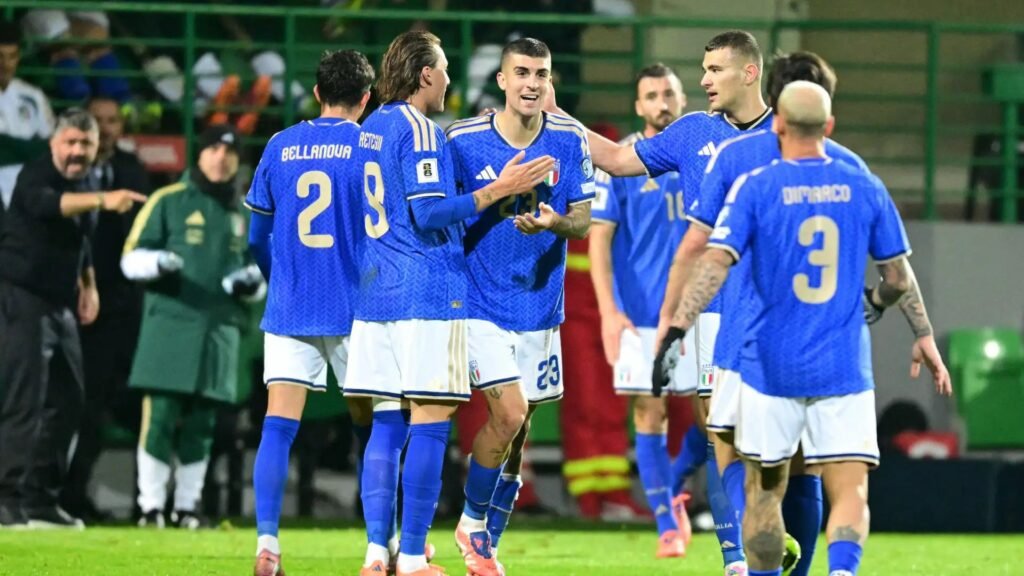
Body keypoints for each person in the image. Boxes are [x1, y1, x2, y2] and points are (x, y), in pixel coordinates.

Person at [657, 51, 953, 576]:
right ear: (830, 120)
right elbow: (897, 279)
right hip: (840, 358)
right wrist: (907, 324)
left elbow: (705, 257)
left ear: (776, 112)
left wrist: (674, 325)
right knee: (839, 483)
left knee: (746, 472)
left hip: (756, 350)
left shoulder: (744, 172)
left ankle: (747, 566)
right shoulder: (860, 177)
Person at [547, 29, 772, 574]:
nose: (702, 80)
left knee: (764, 443)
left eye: (714, 70)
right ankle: (736, 556)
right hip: (702, 313)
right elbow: (619, 161)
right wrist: (557, 116)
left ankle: (769, 539)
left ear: (748, 72)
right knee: (722, 436)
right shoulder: (693, 134)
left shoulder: (785, 133)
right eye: (702, 69)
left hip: (766, 313)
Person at [344, 31, 553, 576]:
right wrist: (498, 189)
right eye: (443, 70)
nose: (450, 80)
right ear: (425, 75)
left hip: (375, 295)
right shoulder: (420, 129)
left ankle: (376, 553)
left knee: (387, 425)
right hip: (426, 292)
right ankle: (413, 558)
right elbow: (431, 214)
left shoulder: (372, 127)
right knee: (432, 421)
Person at [446, 37, 594, 576]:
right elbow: (439, 211)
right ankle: (469, 524)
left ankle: (488, 543)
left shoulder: (569, 140)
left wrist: (555, 221)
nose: (533, 83)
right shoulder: (462, 141)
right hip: (479, 302)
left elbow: (583, 218)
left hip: (539, 306)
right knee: (505, 414)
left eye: (542, 74)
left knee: (521, 428)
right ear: (503, 80)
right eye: (523, 73)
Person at [244, 49, 375, 576]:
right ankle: (379, 546)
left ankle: (267, 543)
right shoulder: (369, 147)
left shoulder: (279, 145)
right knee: (375, 425)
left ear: (317, 93)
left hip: (291, 306)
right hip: (356, 308)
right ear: (366, 100)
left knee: (278, 425)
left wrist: (284, 284)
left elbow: (257, 237)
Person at [0, 108, 144, 529]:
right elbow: (48, 206)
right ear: (53, 143)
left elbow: (80, 238)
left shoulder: (85, 183)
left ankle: (41, 498)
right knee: (23, 400)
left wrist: (89, 283)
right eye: (71, 142)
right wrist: (103, 198)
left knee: (69, 400)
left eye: (86, 143)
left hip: (60, 304)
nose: (78, 151)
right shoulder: (36, 174)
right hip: (22, 296)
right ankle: (6, 497)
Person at [121, 124, 265, 530]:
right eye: (214, 149)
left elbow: (259, 272)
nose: (222, 157)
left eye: (230, 152)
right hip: (171, 323)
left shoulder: (245, 212)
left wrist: (252, 284)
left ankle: (186, 507)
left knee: (204, 424)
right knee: (161, 416)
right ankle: (150, 507)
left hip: (220, 328)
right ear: (199, 155)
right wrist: (157, 263)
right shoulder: (168, 200)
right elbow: (130, 257)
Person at [588, 61, 703, 558]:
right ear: (639, 106)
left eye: (669, 93)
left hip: (702, 312)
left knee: (716, 417)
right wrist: (609, 314)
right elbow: (598, 242)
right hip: (643, 313)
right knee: (650, 413)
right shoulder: (624, 163)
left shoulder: (702, 156)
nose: (662, 102)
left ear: (682, 99)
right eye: (652, 95)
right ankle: (666, 524)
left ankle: (677, 479)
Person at [62, 95, 152, 522]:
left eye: (113, 120)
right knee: (84, 409)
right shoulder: (70, 177)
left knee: (138, 409)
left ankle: (145, 504)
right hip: (82, 310)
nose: (107, 128)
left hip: (126, 311)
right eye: (98, 121)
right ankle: (71, 496)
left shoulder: (133, 171)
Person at [0, 21, 54, 208]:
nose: (5, 65)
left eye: (11, 57)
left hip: (26, 192)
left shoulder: (33, 96)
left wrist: (7, 145)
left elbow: (49, 148)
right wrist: (28, 149)